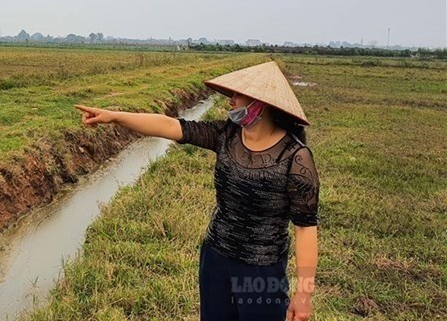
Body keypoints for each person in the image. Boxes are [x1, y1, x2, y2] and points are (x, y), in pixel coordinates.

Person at [74, 61, 319, 321]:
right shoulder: (226, 135)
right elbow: (169, 126)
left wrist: (303, 295)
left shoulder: (295, 157)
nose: (230, 101)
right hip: (215, 259)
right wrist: (114, 116)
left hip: (261, 272)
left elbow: (305, 228)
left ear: (261, 102)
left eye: (237, 95)